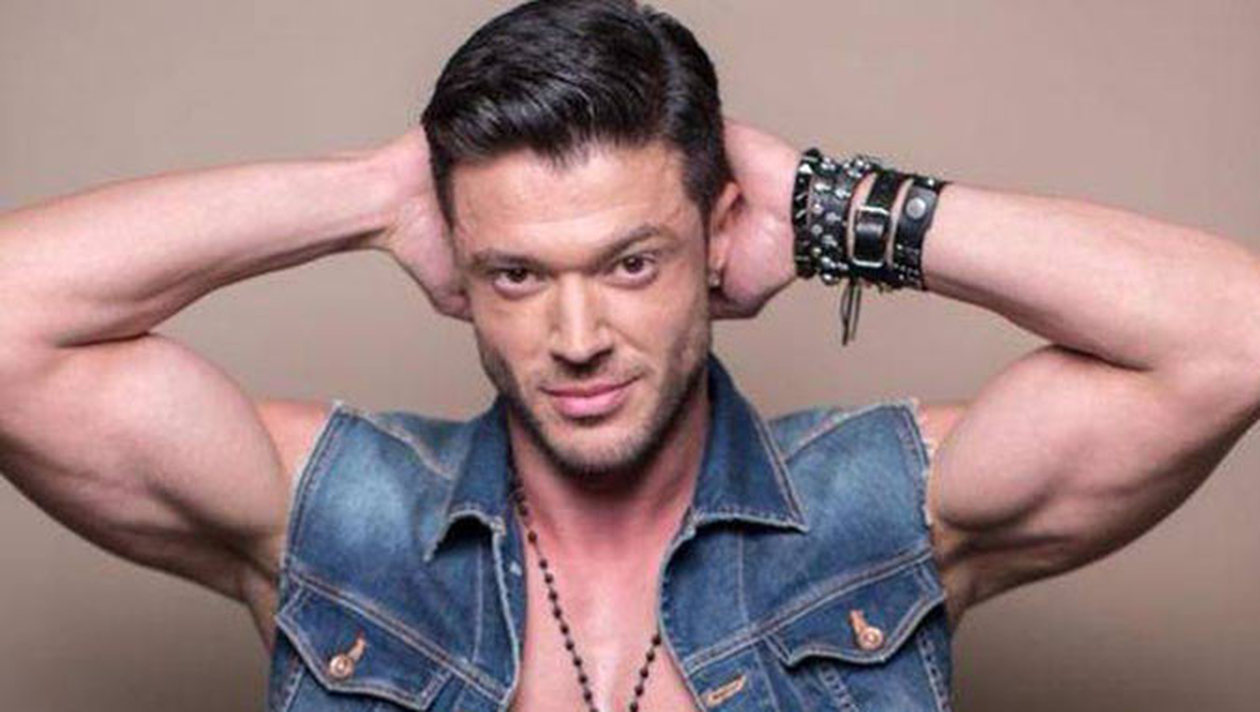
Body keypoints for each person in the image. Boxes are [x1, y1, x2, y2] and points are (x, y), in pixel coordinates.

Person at [1, 1, 1257, 711]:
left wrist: (830, 206)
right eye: (517, 273)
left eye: (631, 262)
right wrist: (371, 194)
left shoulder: (883, 510)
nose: (577, 335)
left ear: (720, 235)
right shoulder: (335, 516)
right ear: (458, 269)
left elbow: (1234, 336)